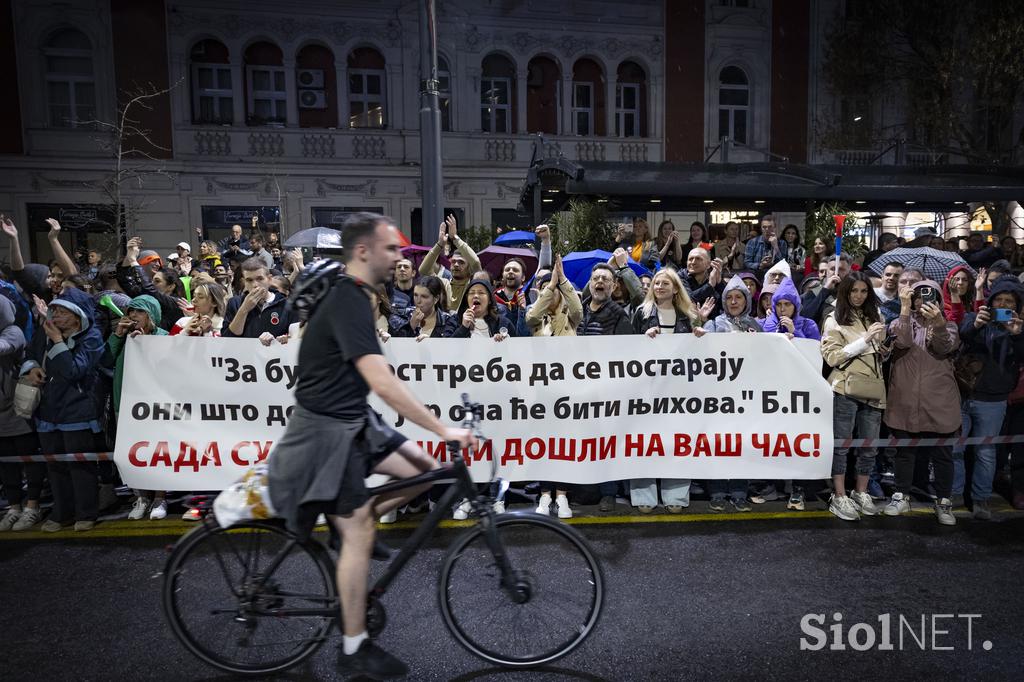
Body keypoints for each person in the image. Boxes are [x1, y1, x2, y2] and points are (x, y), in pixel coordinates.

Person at [267, 213, 476, 679]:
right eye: (391, 250)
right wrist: (444, 429)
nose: (400, 258)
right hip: (325, 430)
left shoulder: (358, 297)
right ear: (363, 252)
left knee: (422, 470)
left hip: (352, 420)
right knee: (361, 529)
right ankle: (353, 646)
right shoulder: (346, 299)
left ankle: (350, 524)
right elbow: (381, 381)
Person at [19, 287, 104, 532]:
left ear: (78, 317)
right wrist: (31, 368)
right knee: (54, 466)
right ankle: (62, 513)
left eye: (62, 312)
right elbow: (30, 353)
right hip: (48, 410)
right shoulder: (44, 332)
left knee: (80, 466)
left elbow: (74, 370)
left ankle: (86, 512)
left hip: (78, 411)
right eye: (53, 310)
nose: (55, 316)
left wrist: (57, 342)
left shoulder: (92, 337)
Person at [882, 281, 960, 525]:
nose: (922, 300)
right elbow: (902, 342)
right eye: (917, 296)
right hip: (905, 397)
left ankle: (944, 501)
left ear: (937, 298)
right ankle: (901, 495)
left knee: (943, 454)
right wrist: (904, 310)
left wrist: (938, 323)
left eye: (929, 295)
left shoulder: (949, 325)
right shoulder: (898, 322)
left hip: (939, 399)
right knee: (904, 451)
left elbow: (944, 346)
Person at [629, 269, 705, 514]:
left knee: (677, 441)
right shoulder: (642, 313)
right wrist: (644, 338)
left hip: (679, 391)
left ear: (675, 289)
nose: (659, 286)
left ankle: (676, 495)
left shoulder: (688, 315)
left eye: (665, 283)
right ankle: (644, 495)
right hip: (647, 389)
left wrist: (699, 335)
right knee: (644, 442)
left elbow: (699, 353)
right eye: (656, 283)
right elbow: (625, 349)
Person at [954, 276, 1024, 520]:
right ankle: (954, 497)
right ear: (991, 301)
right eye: (999, 300)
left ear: (1017, 306)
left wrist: (1016, 334)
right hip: (964, 393)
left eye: (1009, 301)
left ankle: (981, 498)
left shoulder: (1019, 328)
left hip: (994, 399)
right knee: (956, 448)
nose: (1003, 305)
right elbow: (963, 334)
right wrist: (977, 324)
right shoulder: (977, 317)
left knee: (985, 451)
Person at [820, 272, 887, 522]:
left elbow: (880, 356)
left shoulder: (875, 316)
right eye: (853, 291)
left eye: (863, 291)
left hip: (874, 387)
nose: (858, 296)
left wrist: (884, 345)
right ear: (845, 293)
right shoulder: (834, 319)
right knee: (841, 444)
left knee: (869, 446)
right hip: (844, 388)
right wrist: (865, 340)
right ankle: (838, 495)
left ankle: (861, 491)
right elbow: (833, 358)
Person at [105, 295, 171, 520]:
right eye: (131, 311)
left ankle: (160, 498)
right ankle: (141, 497)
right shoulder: (122, 337)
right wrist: (117, 336)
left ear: (151, 315)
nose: (133, 315)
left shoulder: (162, 337)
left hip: (154, 405)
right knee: (133, 452)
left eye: (140, 312)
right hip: (124, 402)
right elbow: (105, 361)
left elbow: (169, 367)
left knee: (157, 452)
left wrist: (145, 344)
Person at [578, 263, 632, 511]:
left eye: (605, 279)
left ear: (613, 286)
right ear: (590, 282)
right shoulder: (579, 310)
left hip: (606, 390)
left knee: (607, 441)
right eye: (596, 277)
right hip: (579, 388)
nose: (600, 282)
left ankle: (609, 492)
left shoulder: (619, 313)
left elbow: (625, 352)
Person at [702, 275, 758, 511]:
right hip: (718, 396)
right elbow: (701, 353)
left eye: (739, 297)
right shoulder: (713, 325)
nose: (734, 302)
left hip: (744, 397)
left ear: (746, 300)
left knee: (741, 444)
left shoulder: (756, 326)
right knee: (716, 443)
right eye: (730, 298)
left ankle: (738, 491)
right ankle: (716, 491)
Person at [0, 296, 44, 532]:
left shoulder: (13, 331)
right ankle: (14, 507)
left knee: (28, 458)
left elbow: (4, 347)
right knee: (6, 463)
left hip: (17, 408)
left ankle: (33, 506)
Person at [419, 214, 482, 311]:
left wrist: (455, 239)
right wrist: (439, 245)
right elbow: (423, 270)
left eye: (461, 262)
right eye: (453, 262)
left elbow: (476, 262)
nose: (456, 264)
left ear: (469, 267)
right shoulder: (444, 284)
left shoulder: (473, 284)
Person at [222, 258, 294, 338]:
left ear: (269, 279)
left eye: (260, 279)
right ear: (244, 282)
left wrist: (284, 338)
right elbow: (228, 338)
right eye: (249, 280)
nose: (255, 285)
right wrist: (244, 309)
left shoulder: (286, 303)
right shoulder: (235, 302)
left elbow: (295, 337)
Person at [525, 256, 581, 338]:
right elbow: (532, 318)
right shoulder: (533, 311)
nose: (549, 292)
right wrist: (551, 285)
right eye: (544, 288)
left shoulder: (570, 312)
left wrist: (562, 277)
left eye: (553, 288)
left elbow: (577, 312)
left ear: (560, 292)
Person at [443, 279, 515, 342]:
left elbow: (516, 349)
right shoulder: (455, 320)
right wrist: (463, 327)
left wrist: (504, 342)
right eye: (471, 293)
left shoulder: (502, 323)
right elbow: (447, 349)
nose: (476, 296)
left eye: (481, 293)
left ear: (490, 300)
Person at [394, 275, 450, 340]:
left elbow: (447, 347)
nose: (418, 301)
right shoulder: (404, 315)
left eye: (424, 296)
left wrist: (431, 342)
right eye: (415, 295)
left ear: (436, 299)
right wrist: (411, 326)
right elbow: (398, 344)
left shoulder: (446, 320)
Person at [493, 257, 529, 336]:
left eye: (515, 270)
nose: (510, 271)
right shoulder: (493, 298)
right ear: (502, 276)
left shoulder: (529, 295)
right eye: (507, 270)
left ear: (523, 277)